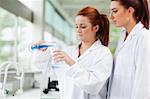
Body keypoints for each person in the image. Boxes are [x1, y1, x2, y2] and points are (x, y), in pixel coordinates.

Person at [35, 6, 113, 99]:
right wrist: (43, 52)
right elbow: (46, 68)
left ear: (95, 28)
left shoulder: (103, 53)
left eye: (83, 27)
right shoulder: (68, 51)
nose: (78, 30)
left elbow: (93, 86)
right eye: (76, 26)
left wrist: (71, 63)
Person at [108, 0, 149, 99]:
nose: (111, 17)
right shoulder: (123, 36)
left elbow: (143, 82)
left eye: (115, 11)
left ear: (130, 11)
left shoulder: (144, 37)